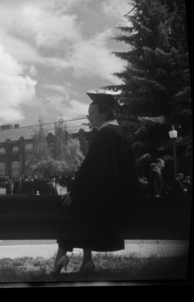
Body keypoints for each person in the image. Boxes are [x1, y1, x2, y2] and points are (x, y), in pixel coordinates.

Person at [53, 92, 138, 275]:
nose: (89, 116)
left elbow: (91, 169)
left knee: (70, 207)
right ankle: (87, 261)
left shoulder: (106, 134)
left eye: (92, 112)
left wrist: (75, 192)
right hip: (118, 201)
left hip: (107, 207)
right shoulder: (120, 134)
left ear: (105, 114)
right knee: (86, 205)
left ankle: (60, 257)